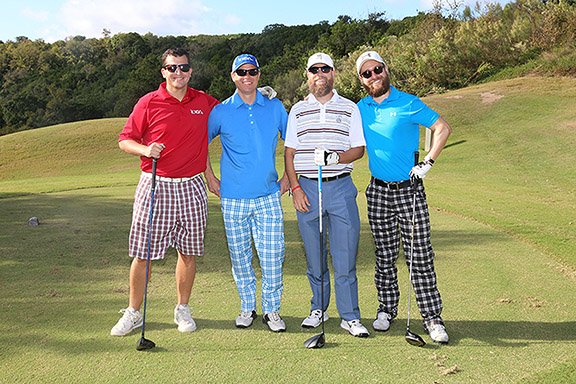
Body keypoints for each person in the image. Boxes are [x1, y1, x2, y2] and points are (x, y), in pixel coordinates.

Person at [111, 48, 219, 337]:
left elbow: (233, 110)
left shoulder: (204, 102)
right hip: (155, 184)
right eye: (172, 68)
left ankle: (182, 308)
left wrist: (264, 95)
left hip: (192, 186)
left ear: (191, 70)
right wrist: (146, 149)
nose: (178, 73)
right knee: (142, 253)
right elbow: (125, 140)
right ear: (164, 72)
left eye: (183, 68)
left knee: (188, 251)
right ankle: (133, 312)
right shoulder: (149, 102)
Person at [355, 50, 453, 344]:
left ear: (386, 70)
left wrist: (428, 162)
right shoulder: (360, 107)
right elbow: (330, 106)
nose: (374, 76)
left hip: (409, 189)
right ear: (361, 80)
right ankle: (386, 309)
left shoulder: (408, 102)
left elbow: (442, 127)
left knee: (419, 256)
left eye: (377, 69)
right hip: (378, 191)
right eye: (366, 73)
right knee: (384, 256)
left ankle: (432, 318)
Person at [284, 52, 369, 338]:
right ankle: (318, 308)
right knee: (314, 256)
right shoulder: (297, 110)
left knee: (345, 255)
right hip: (307, 187)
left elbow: (358, 148)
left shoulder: (350, 108)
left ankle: (350, 316)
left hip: (341, 187)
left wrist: (335, 157)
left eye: (325, 69)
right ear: (307, 75)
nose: (319, 73)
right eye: (313, 69)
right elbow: (290, 152)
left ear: (333, 73)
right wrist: (295, 188)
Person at [204, 54, 289, 332]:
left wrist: (290, 177)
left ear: (259, 74)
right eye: (241, 72)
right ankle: (247, 307)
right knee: (240, 257)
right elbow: (198, 145)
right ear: (233, 76)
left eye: (252, 71)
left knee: (272, 255)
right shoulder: (221, 111)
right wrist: (210, 178)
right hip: (232, 198)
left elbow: (293, 144)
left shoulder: (275, 107)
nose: (247, 76)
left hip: (268, 196)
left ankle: (272, 311)